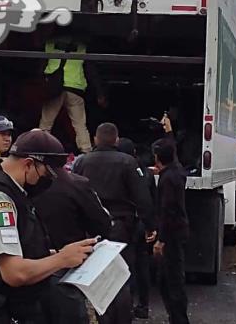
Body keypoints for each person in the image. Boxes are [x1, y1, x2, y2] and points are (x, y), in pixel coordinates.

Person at [0, 129, 97, 324]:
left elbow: (21, 245)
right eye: (45, 174)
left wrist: (55, 254)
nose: (45, 182)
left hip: (2, 310)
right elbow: (14, 273)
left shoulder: (14, 191)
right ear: (28, 164)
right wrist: (62, 259)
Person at [73, 123, 156, 324]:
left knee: (97, 277)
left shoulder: (81, 162)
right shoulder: (128, 163)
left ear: (95, 139)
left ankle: (103, 318)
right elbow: (142, 198)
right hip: (120, 227)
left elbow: (74, 192)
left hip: (90, 229)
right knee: (120, 278)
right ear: (116, 140)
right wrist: (150, 225)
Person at [34, 158, 113, 324]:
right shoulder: (76, 184)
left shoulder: (22, 187)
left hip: (32, 267)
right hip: (70, 266)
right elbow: (102, 223)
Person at [39, 34, 105, 153]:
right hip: (75, 89)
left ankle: (38, 148)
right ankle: (86, 150)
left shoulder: (50, 44)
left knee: (46, 123)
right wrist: (100, 93)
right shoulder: (82, 47)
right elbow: (91, 72)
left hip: (54, 89)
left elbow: (40, 66)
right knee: (80, 125)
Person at [117, 137, 156, 319]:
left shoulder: (118, 171)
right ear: (134, 153)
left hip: (127, 224)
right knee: (143, 265)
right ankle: (144, 305)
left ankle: (128, 306)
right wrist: (151, 226)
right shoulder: (146, 173)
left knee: (126, 266)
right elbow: (151, 201)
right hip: (141, 223)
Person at [152, 139, 190, 324]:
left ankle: (179, 319)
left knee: (172, 282)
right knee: (167, 279)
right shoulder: (177, 172)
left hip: (171, 236)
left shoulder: (167, 179)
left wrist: (161, 240)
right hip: (179, 232)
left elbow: (168, 210)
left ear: (157, 157)